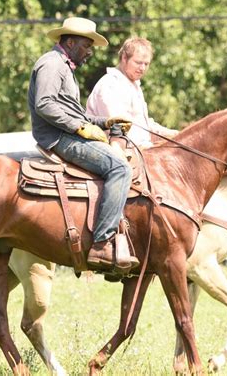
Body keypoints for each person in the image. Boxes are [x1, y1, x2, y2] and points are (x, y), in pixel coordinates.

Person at [28, 17, 138, 271]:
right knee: (119, 168)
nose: (89, 52)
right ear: (69, 41)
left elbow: (75, 112)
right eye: (86, 46)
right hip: (59, 138)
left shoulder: (64, 67)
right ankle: (102, 242)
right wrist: (79, 128)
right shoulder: (52, 64)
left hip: (67, 134)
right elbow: (45, 105)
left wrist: (105, 122)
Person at [87, 37, 177, 147]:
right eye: (138, 62)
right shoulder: (110, 84)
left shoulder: (133, 84)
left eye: (146, 64)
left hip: (137, 150)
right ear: (124, 58)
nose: (142, 68)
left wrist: (174, 134)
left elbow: (143, 125)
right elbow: (119, 129)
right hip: (117, 152)